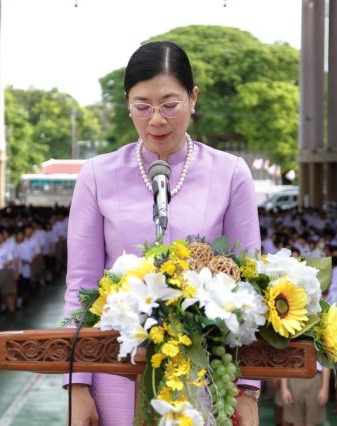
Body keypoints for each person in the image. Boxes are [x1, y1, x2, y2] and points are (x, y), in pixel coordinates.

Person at [64, 41, 261, 425]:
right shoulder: (96, 176)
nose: (156, 119)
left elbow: (249, 289)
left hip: (203, 376)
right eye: (142, 106)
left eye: (170, 104)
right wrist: (77, 387)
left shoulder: (231, 173)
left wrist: (249, 391)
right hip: (115, 373)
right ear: (127, 104)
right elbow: (81, 285)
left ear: (193, 97)